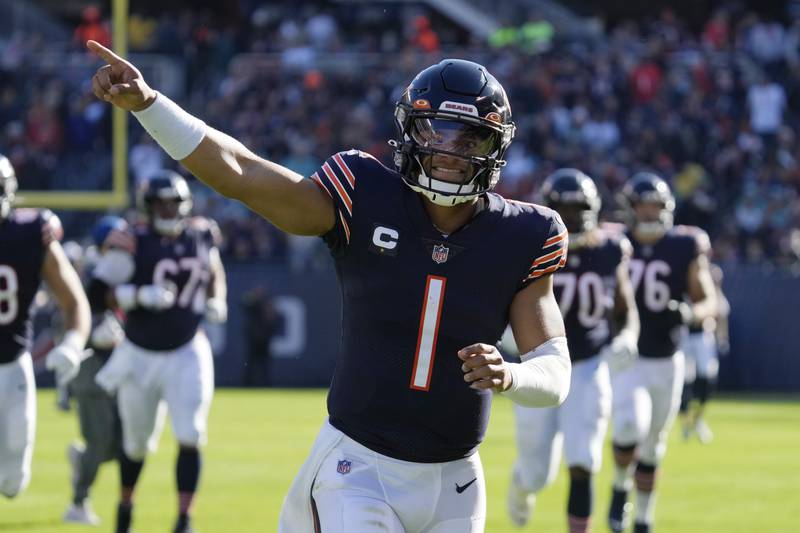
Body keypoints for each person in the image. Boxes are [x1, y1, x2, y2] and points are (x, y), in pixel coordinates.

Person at [88, 40, 572, 533]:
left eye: (470, 139)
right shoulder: (364, 192)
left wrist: (511, 375)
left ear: (496, 147)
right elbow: (245, 174)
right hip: (359, 467)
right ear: (410, 130)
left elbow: (555, 372)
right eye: (437, 132)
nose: (450, 152)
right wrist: (151, 106)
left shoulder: (526, 234)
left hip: (458, 483)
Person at [92, 171, 228, 533]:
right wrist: (136, 296)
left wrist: (218, 299)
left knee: (191, 434)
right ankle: (125, 508)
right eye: (160, 204)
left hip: (187, 349)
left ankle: (184, 519)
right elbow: (96, 291)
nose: (167, 210)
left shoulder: (202, 233)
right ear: (147, 207)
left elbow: (213, 270)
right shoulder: (132, 240)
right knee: (136, 445)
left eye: (173, 203)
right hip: (139, 353)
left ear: (184, 206)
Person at [507, 169, 639, 533]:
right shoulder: (531, 247)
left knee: (584, 460)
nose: (573, 218)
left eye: (580, 209)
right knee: (537, 473)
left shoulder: (611, 250)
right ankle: (521, 484)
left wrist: (627, 336)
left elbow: (625, 310)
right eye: (564, 210)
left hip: (588, 366)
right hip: (537, 364)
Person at [607, 173, 716, 533]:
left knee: (653, 446)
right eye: (644, 206)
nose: (651, 213)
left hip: (668, 359)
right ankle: (620, 485)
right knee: (627, 425)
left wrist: (690, 313)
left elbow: (707, 300)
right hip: (628, 356)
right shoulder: (615, 244)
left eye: (657, 206)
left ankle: (643, 518)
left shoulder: (684, 245)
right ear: (631, 209)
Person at [0, 153, 90, 499]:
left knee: (11, 483)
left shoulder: (30, 234)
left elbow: (74, 302)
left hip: (12, 364)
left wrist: (71, 344)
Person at [62, 216, 130, 525]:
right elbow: (66, 316)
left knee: (121, 444)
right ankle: (77, 503)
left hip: (116, 365)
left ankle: (83, 457)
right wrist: (91, 334)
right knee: (102, 439)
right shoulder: (88, 273)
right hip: (90, 365)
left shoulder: (121, 270)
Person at [678, 262, 729, 443]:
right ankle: (685, 423)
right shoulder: (683, 281)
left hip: (704, 337)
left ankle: (697, 419)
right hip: (684, 336)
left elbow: (720, 313)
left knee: (707, 382)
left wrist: (722, 337)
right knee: (683, 383)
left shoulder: (712, 287)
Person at [241, 285, 278, 387]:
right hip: (254, 339)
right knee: (251, 364)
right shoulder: (254, 304)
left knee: (264, 364)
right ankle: (248, 384)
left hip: (264, 340)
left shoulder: (267, 304)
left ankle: (266, 383)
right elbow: (244, 303)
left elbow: (272, 321)